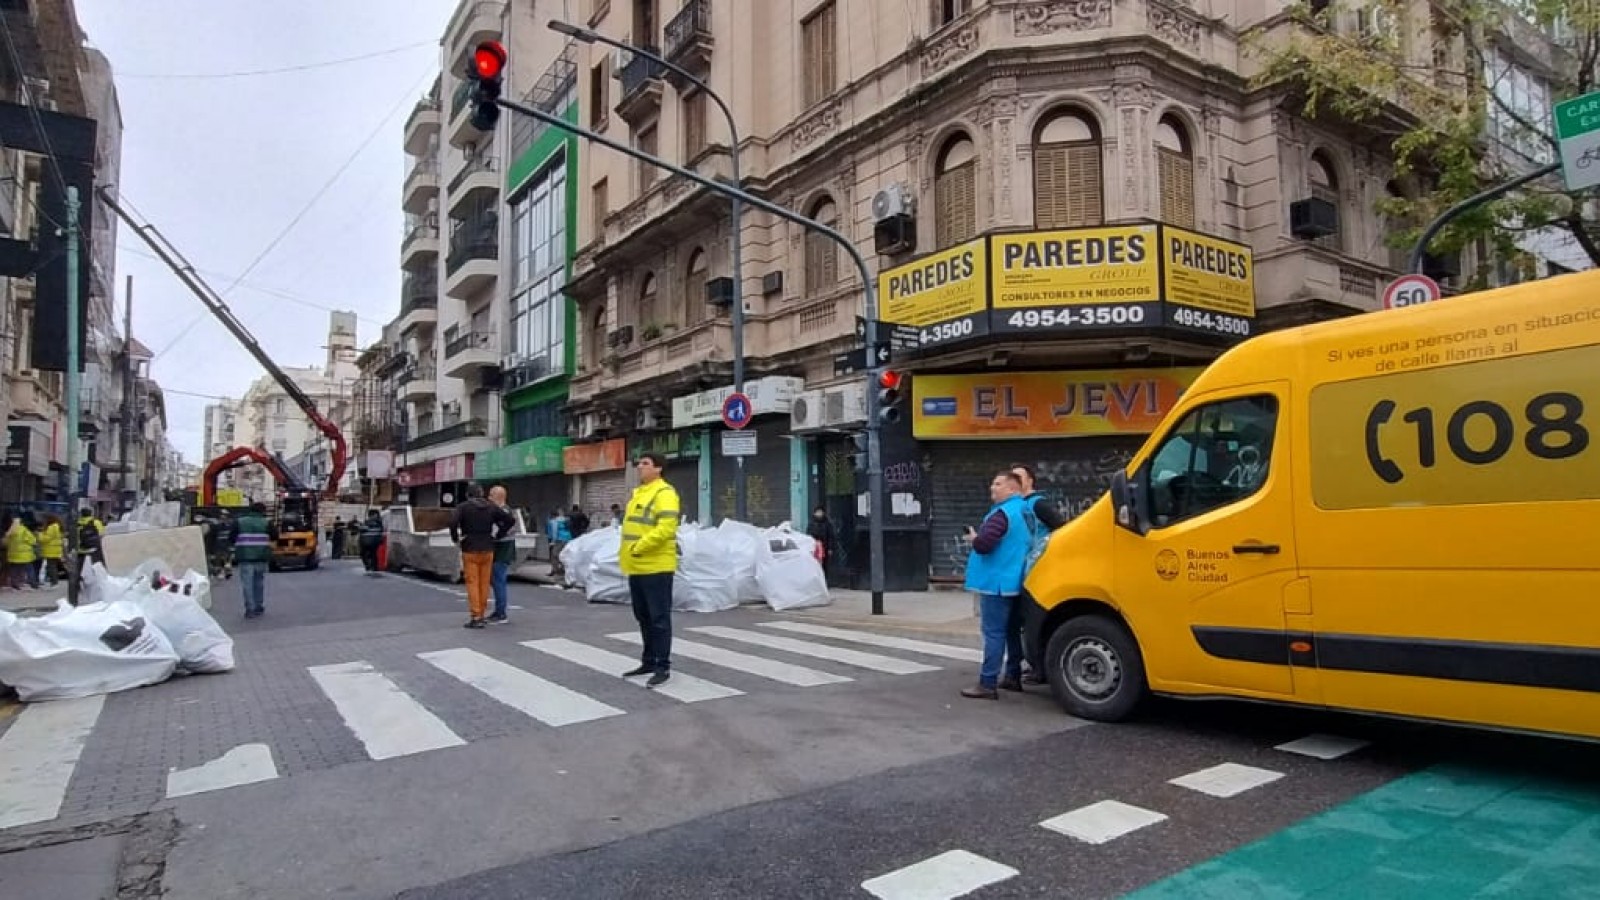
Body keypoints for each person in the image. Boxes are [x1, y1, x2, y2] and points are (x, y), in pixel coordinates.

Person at [960, 471, 1033, 699]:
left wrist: (975, 539)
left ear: (1012, 489)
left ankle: (987, 683)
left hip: (997, 583)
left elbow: (985, 544)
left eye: (998, 483)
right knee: (1012, 631)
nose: (992, 487)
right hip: (1017, 580)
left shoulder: (1002, 514)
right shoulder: (1026, 510)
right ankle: (1013, 676)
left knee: (993, 632)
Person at [619, 453, 681, 687]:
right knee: (643, 617)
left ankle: (662, 665)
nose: (639, 467)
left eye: (645, 464)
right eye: (640, 463)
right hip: (637, 566)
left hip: (656, 566)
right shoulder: (639, 493)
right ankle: (649, 660)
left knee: (659, 618)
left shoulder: (664, 493)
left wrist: (639, 546)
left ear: (658, 469)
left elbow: (666, 528)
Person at [1011, 464, 1067, 685]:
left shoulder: (1038, 504)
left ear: (1030, 481)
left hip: (1039, 571)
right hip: (1022, 571)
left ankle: (1040, 669)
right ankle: (1034, 665)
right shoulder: (1018, 505)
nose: (1013, 480)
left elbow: (1063, 528)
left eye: (1019, 476)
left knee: (1035, 621)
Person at [449, 484, 515, 629]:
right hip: (488, 548)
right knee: (484, 583)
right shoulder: (491, 507)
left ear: (467, 495)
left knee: (473, 583)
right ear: (482, 494)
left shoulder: (463, 507)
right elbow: (510, 520)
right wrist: (499, 534)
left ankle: (476, 616)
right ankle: (482, 613)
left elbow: (453, 522)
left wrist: (455, 538)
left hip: (470, 548)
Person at [230, 502, 277, 619]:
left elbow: (231, 538)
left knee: (247, 584)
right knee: (259, 583)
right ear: (262, 511)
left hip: (245, 557)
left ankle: (250, 609)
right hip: (261, 557)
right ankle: (258, 606)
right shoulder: (267, 522)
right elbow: (276, 536)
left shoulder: (240, 522)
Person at [487, 485, 517, 624]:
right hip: (504, 548)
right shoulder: (507, 510)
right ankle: (499, 611)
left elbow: (500, 530)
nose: (488, 498)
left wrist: (495, 536)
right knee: (497, 580)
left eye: (491, 495)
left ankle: (501, 613)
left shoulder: (502, 512)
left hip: (502, 549)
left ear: (497, 497)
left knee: (498, 581)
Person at [76, 508, 105, 575]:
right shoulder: (96, 522)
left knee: (79, 568)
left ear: (81, 514)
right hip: (94, 549)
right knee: (97, 565)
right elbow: (101, 534)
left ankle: (78, 581)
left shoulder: (77, 523)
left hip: (81, 549)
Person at [38, 514, 64, 586]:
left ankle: (54, 582)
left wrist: (40, 535)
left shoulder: (51, 527)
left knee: (51, 566)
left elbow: (46, 538)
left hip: (50, 550)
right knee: (53, 566)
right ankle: (54, 581)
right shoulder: (57, 526)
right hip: (56, 549)